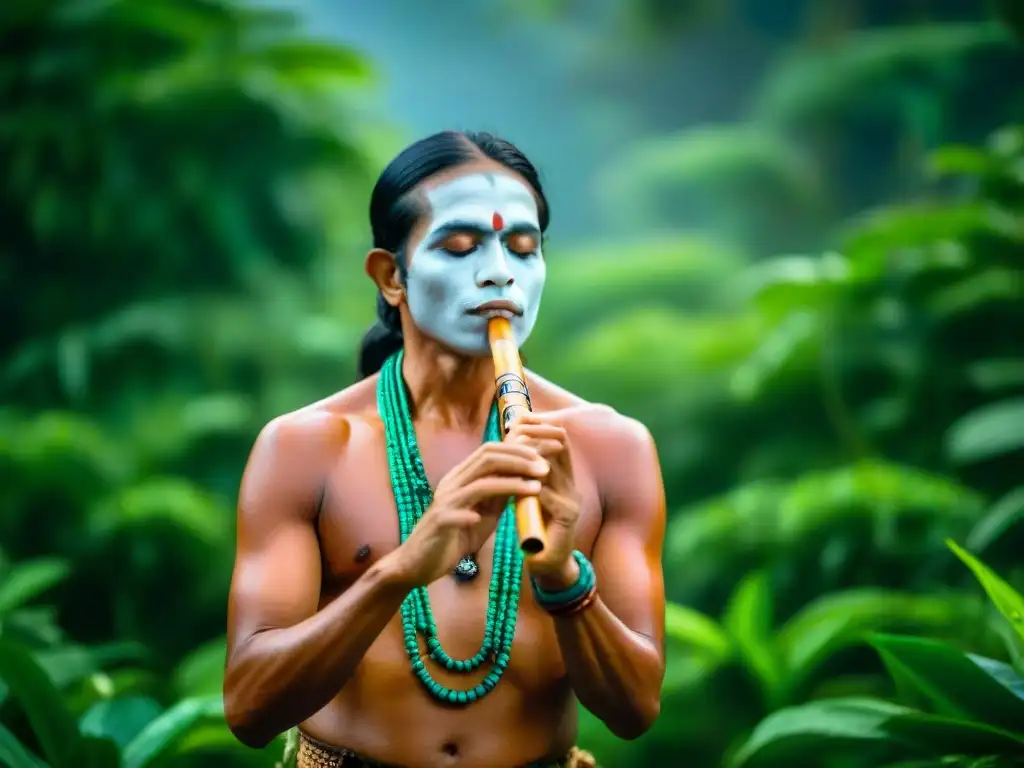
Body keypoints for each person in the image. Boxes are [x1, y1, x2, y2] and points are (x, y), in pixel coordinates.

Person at [223, 130, 667, 768]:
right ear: (391, 277)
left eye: (523, 247)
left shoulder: (611, 447)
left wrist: (562, 577)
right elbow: (250, 709)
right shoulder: (305, 447)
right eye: (460, 247)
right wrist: (399, 570)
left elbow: (635, 712)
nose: (498, 272)